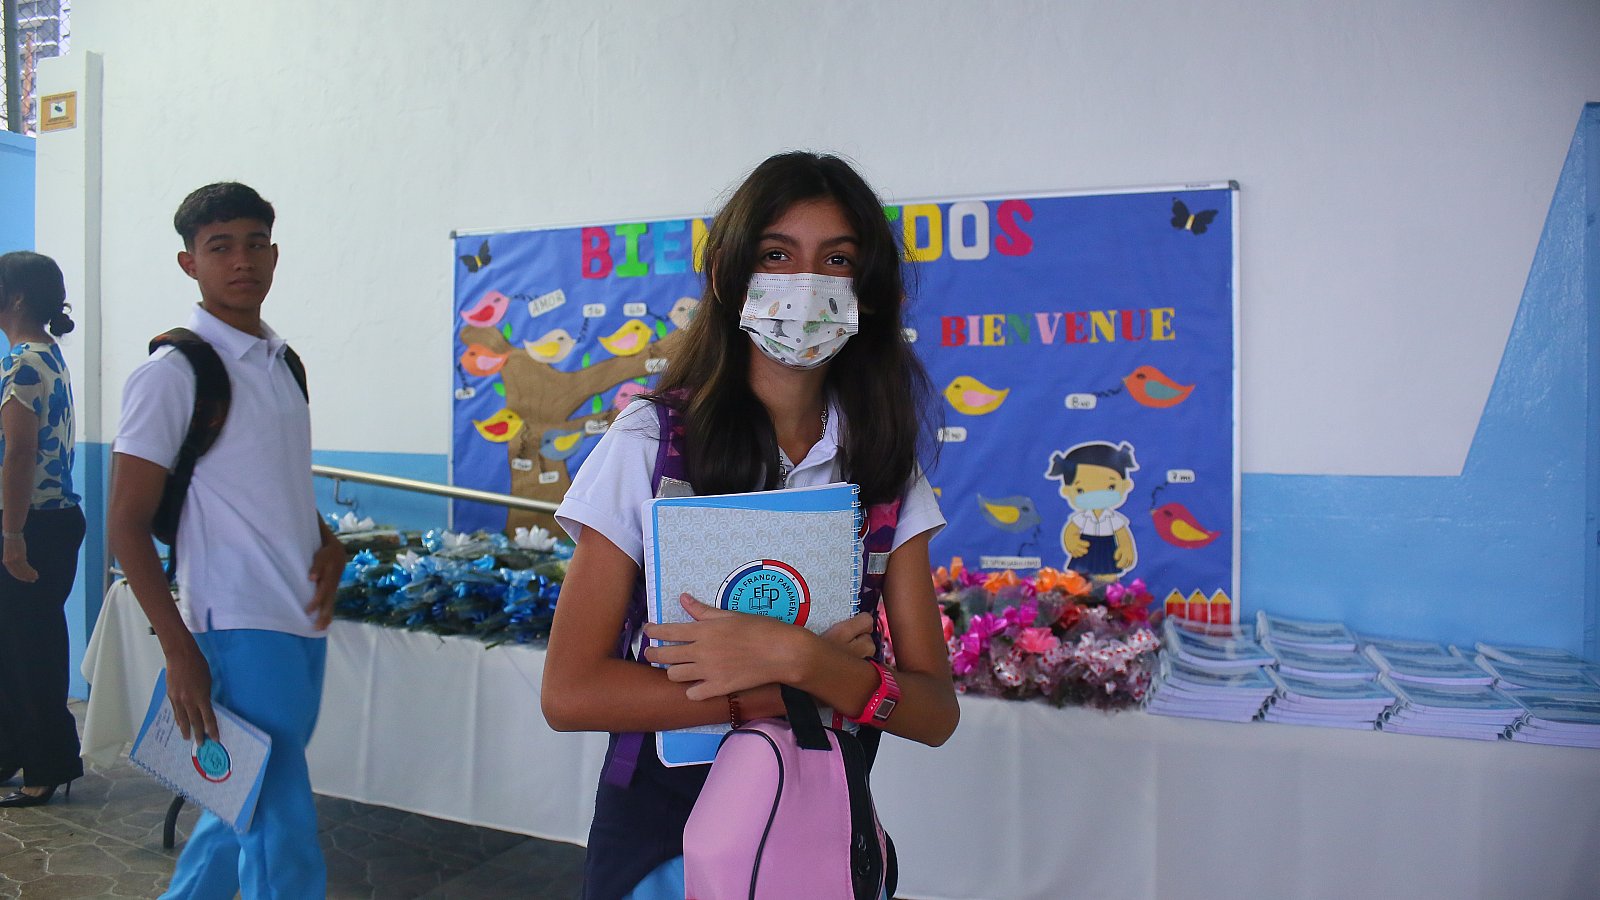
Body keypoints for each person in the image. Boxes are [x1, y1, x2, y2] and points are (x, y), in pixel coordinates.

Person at [541, 151, 960, 899]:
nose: (806, 284)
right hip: (664, 846)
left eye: (837, 260)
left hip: (817, 836)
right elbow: (570, 693)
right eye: (777, 255)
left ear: (868, 291)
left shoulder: (884, 470)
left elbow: (933, 713)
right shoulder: (650, 443)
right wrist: (787, 683)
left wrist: (798, 659)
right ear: (727, 276)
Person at [106, 182, 345, 898]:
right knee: (280, 831)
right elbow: (125, 521)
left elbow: (270, 480)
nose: (242, 260)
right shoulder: (172, 374)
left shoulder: (282, 363)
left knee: (237, 801)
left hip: (298, 617)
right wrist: (180, 649)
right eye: (220, 247)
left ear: (274, 253)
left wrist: (326, 538)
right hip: (235, 623)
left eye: (254, 243)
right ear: (190, 263)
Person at [0, 251, 85, 808]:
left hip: (33, 524)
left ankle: (47, 766)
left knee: (31, 651)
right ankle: (10, 750)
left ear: (17, 298)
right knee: (15, 646)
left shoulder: (23, 364)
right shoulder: (44, 354)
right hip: (51, 519)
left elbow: (20, 453)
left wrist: (12, 537)